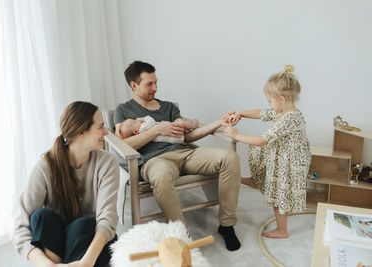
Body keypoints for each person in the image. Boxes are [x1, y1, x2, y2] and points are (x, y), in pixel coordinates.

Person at [113, 61, 242, 251]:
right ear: (134, 85)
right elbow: (122, 145)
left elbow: (188, 136)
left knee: (230, 158)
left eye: (156, 82)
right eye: (149, 84)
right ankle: (182, 235)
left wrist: (218, 123)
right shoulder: (124, 111)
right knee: (161, 176)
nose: (155, 88)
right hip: (155, 161)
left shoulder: (169, 107)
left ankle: (227, 225)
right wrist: (157, 129)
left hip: (185, 153)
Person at [12, 101, 119, 266]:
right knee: (41, 217)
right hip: (58, 247)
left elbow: (107, 219)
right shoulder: (46, 166)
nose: (106, 132)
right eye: (100, 127)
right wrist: (48, 265)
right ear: (81, 131)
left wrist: (86, 262)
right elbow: (21, 226)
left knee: (82, 225)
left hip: (93, 247)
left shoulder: (107, 163)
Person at [224, 65, 311, 238]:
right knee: (257, 149)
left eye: (270, 101)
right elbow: (260, 113)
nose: (269, 105)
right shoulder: (283, 111)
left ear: (282, 99)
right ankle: (257, 180)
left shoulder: (290, 118)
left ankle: (282, 230)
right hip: (283, 156)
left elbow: (263, 140)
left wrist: (237, 135)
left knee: (280, 195)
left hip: (291, 163)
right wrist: (240, 113)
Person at [119, 115, 199, 143]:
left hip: (174, 137)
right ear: (136, 131)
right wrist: (143, 118)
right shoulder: (142, 128)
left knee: (178, 127)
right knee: (180, 124)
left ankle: (186, 130)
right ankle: (192, 125)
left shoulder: (141, 132)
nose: (137, 120)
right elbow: (151, 121)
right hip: (173, 136)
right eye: (135, 122)